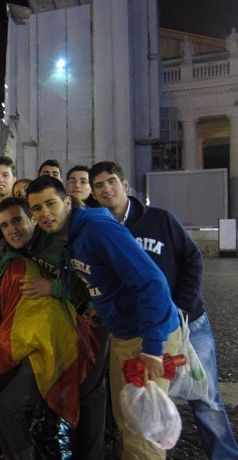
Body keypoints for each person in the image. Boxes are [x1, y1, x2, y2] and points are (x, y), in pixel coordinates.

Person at [26, 175, 181, 460]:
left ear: (67, 202)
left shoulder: (96, 229)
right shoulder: (72, 237)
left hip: (144, 335)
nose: (44, 213)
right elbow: (104, 277)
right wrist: (102, 305)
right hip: (125, 333)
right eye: (36, 208)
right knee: (129, 422)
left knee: (144, 434)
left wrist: (153, 348)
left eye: (50, 203)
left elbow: (152, 282)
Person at [90, 161, 238, 459]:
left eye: (111, 182)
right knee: (147, 400)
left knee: (205, 398)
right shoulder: (101, 231)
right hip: (141, 330)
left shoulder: (160, 220)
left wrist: (181, 306)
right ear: (93, 193)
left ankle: (224, 455)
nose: (106, 189)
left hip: (187, 322)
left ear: (125, 184)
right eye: (99, 185)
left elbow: (193, 260)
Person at [0, 218, 93, 459]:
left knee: (9, 407)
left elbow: (22, 322)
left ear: (1, 243)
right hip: (28, 345)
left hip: (51, 344)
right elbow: (1, 323)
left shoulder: (17, 269)